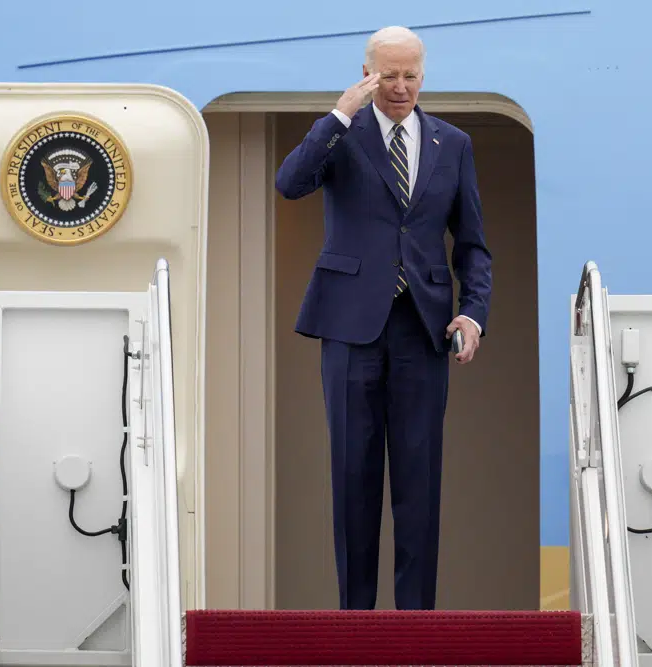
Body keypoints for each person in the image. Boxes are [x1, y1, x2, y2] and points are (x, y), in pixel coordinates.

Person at [275, 25, 492, 611]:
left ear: (425, 74)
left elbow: (472, 244)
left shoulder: (454, 143)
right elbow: (290, 183)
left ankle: (416, 626)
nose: (400, 87)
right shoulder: (341, 134)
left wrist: (473, 314)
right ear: (367, 72)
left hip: (424, 330)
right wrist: (338, 114)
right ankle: (356, 623)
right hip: (349, 325)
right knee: (353, 477)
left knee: (420, 481)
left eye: (410, 76)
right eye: (388, 75)